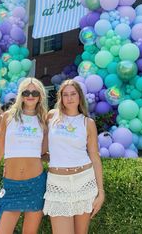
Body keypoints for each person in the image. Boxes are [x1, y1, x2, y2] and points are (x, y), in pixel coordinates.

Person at [0, 78, 48, 234]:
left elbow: (43, 151)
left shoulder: (44, 119)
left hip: (36, 184)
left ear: (40, 96)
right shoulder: (8, 117)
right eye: (26, 92)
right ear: (20, 95)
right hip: (11, 185)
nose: (30, 95)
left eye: (35, 92)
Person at [43, 79, 105, 234]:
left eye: (73, 94)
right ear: (61, 98)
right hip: (57, 184)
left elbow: (95, 157)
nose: (69, 98)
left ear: (79, 97)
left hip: (84, 181)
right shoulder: (51, 117)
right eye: (65, 95)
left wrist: (101, 192)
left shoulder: (87, 122)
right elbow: (40, 148)